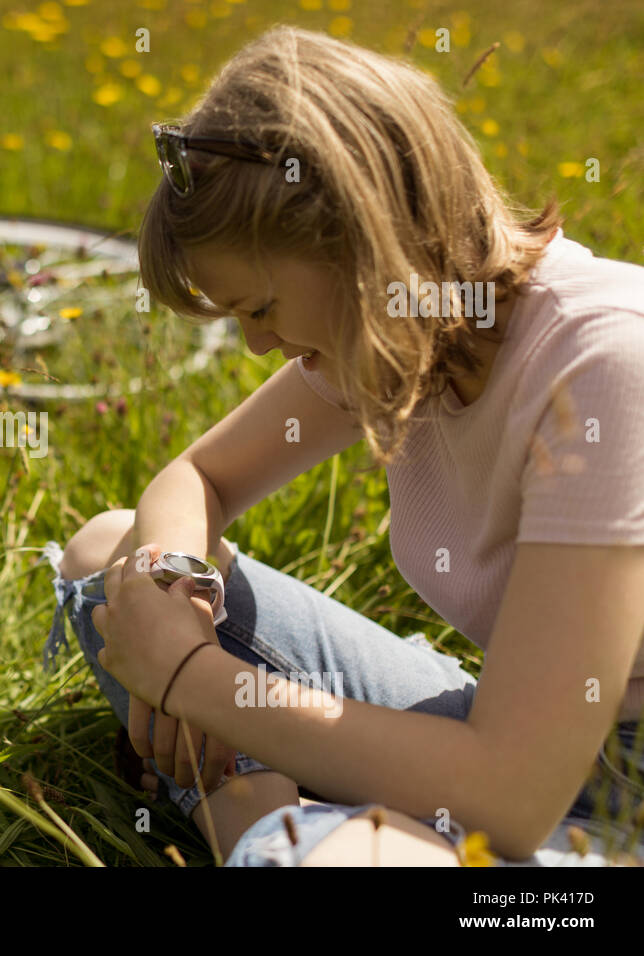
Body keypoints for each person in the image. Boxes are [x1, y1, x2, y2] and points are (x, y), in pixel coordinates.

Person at [41, 25, 644, 866]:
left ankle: (255, 823)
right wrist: (174, 593)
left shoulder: (606, 363)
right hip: (531, 742)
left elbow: (512, 799)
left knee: (320, 857)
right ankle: (276, 821)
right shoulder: (424, 329)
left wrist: (190, 680)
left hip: (592, 798)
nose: (256, 346)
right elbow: (198, 477)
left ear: (361, 245)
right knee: (112, 556)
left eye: (259, 308)